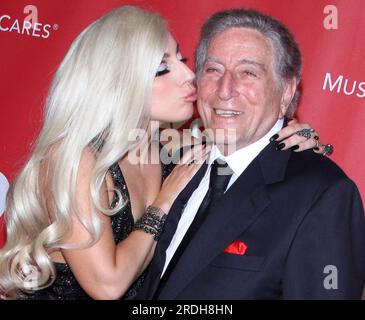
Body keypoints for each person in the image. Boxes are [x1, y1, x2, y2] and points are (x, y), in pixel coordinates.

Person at [0, 6, 329, 300]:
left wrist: (289, 136)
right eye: (162, 68)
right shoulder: (76, 158)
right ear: (119, 83)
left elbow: (246, 141)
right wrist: (163, 201)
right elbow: (107, 286)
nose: (190, 76)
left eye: (181, 59)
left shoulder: (176, 152)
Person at [136, 9, 365, 300]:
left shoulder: (321, 194)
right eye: (213, 69)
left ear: (286, 91)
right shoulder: (173, 166)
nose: (225, 89)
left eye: (248, 73)